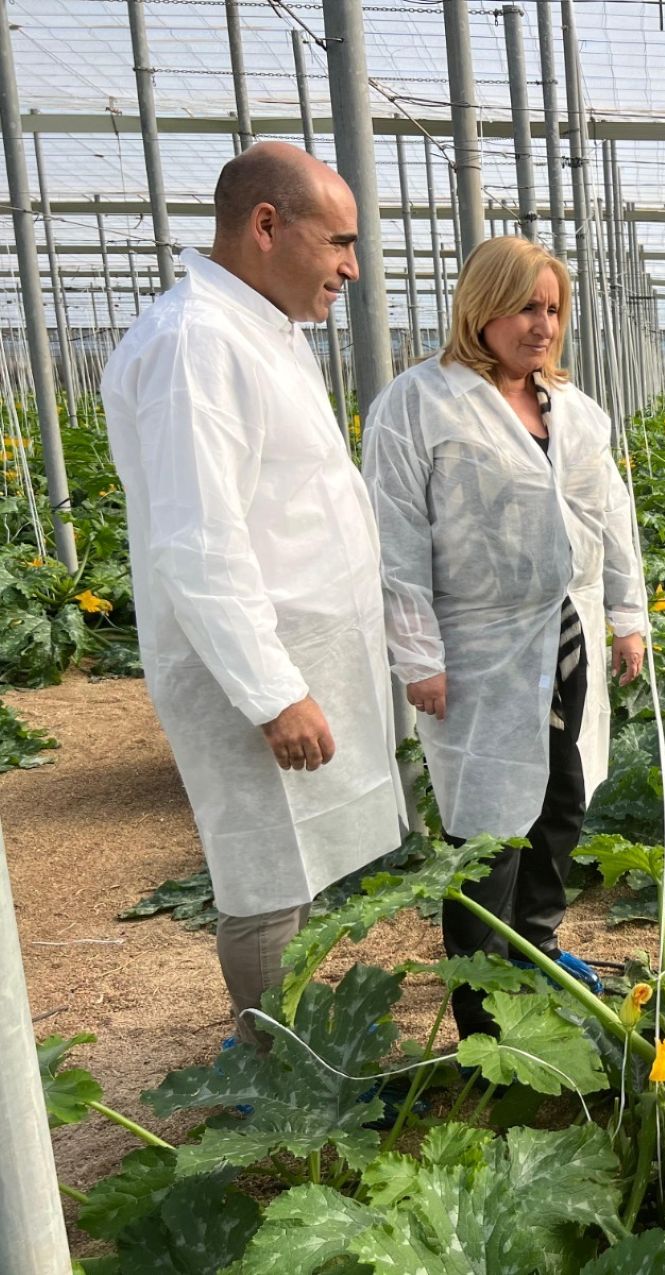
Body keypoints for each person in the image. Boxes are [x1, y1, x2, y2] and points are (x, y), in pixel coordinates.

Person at [101, 142, 408, 1048]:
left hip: (295, 649)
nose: (353, 266)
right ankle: (276, 1067)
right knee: (266, 867)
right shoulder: (196, 341)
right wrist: (273, 691)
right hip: (255, 667)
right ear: (267, 226)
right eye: (340, 242)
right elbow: (199, 544)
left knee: (298, 860)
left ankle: (289, 1046)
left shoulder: (253, 328)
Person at [362, 236, 647, 1041]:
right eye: (527, 306)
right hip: (478, 644)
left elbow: (611, 517)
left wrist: (628, 618)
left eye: (553, 308)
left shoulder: (573, 408)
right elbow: (397, 536)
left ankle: (540, 943)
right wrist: (418, 656)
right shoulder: (420, 403)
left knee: (562, 795)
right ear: (481, 307)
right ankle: (483, 1006)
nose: (542, 324)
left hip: (568, 629)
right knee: (487, 824)